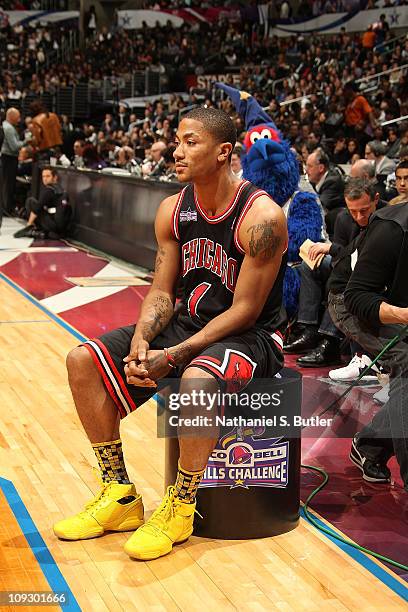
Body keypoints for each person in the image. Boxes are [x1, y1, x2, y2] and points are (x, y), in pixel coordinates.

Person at [52, 108, 288, 560]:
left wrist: (176, 354)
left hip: (253, 336)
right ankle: (118, 493)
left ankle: (181, 504)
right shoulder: (173, 210)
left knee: (196, 383)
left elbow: (245, 310)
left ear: (223, 152)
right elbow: (161, 290)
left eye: (190, 142)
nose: (177, 152)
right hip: (190, 323)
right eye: (176, 141)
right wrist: (143, 337)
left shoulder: (262, 216)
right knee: (82, 360)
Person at [342, 202, 408, 489]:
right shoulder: (392, 230)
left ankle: (370, 445)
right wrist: (404, 314)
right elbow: (355, 296)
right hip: (355, 303)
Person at [284, 178, 380, 367]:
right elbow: (342, 255)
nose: (359, 217)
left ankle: (330, 342)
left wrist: (331, 249)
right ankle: (308, 328)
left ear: (375, 200)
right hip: (346, 265)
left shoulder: (384, 217)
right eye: (353, 211)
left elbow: (368, 257)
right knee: (309, 265)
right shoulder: (343, 218)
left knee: (341, 279)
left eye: (364, 210)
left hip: (371, 274)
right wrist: (331, 251)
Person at [13, 167, 71, 239]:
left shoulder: (49, 190)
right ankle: (43, 232)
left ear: (55, 177)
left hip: (53, 226)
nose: (45, 179)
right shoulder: (62, 190)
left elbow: (36, 209)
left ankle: (32, 229)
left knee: (30, 201)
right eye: (43, 176)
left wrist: (29, 225)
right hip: (61, 228)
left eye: (48, 176)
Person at [305, 147, 345, 239]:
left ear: (321, 168)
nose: (306, 170)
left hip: (335, 233)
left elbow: (319, 206)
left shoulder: (333, 181)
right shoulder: (314, 181)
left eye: (310, 166)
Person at [0, 107, 30, 225]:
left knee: (7, 183)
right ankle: (6, 209)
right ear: (11, 116)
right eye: (17, 117)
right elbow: (14, 146)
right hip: (8, 158)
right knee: (8, 184)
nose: (19, 119)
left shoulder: (7, 127)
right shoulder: (8, 128)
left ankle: (6, 208)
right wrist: (27, 141)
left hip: (8, 158)